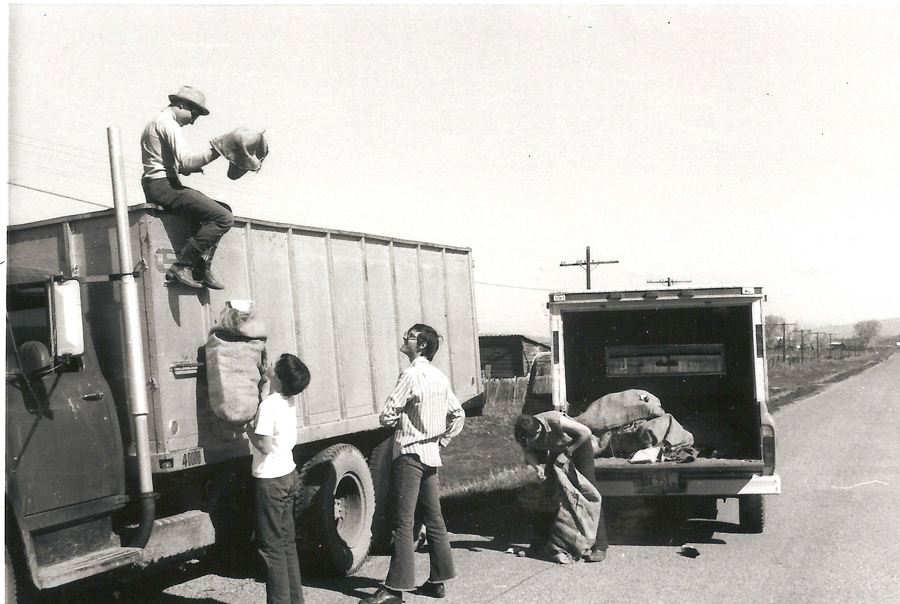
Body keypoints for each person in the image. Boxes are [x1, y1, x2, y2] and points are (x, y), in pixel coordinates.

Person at [360, 324, 465, 604]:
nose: (405, 339)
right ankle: (438, 581)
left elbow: (387, 415)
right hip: (431, 454)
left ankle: (394, 589)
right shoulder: (439, 376)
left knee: (403, 521)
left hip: (409, 455)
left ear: (421, 345)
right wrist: (441, 441)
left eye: (409, 336)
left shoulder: (410, 374)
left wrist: (401, 422)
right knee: (434, 517)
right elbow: (458, 414)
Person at [141, 85, 233, 289]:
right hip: (163, 185)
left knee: (223, 209)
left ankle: (201, 268)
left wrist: (191, 167)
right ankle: (183, 266)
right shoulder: (168, 124)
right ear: (182, 105)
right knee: (223, 218)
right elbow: (187, 162)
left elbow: (181, 167)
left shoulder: (158, 122)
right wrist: (218, 150)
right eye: (194, 115)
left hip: (160, 183)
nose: (192, 121)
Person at [245, 353, 311, 604]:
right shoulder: (287, 400)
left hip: (271, 479)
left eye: (275, 364)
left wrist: (246, 427)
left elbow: (263, 445)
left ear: (280, 376)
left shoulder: (268, 406)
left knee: (270, 547)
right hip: (288, 474)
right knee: (286, 543)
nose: (270, 364)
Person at [514, 411, 609, 563]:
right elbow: (528, 452)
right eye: (531, 438)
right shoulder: (525, 435)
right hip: (557, 452)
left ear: (540, 428)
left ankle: (600, 546)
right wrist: (537, 468)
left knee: (589, 495)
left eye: (537, 435)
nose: (535, 439)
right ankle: (539, 544)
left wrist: (567, 453)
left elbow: (586, 432)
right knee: (547, 496)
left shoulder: (554, 420)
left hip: (579, 449)